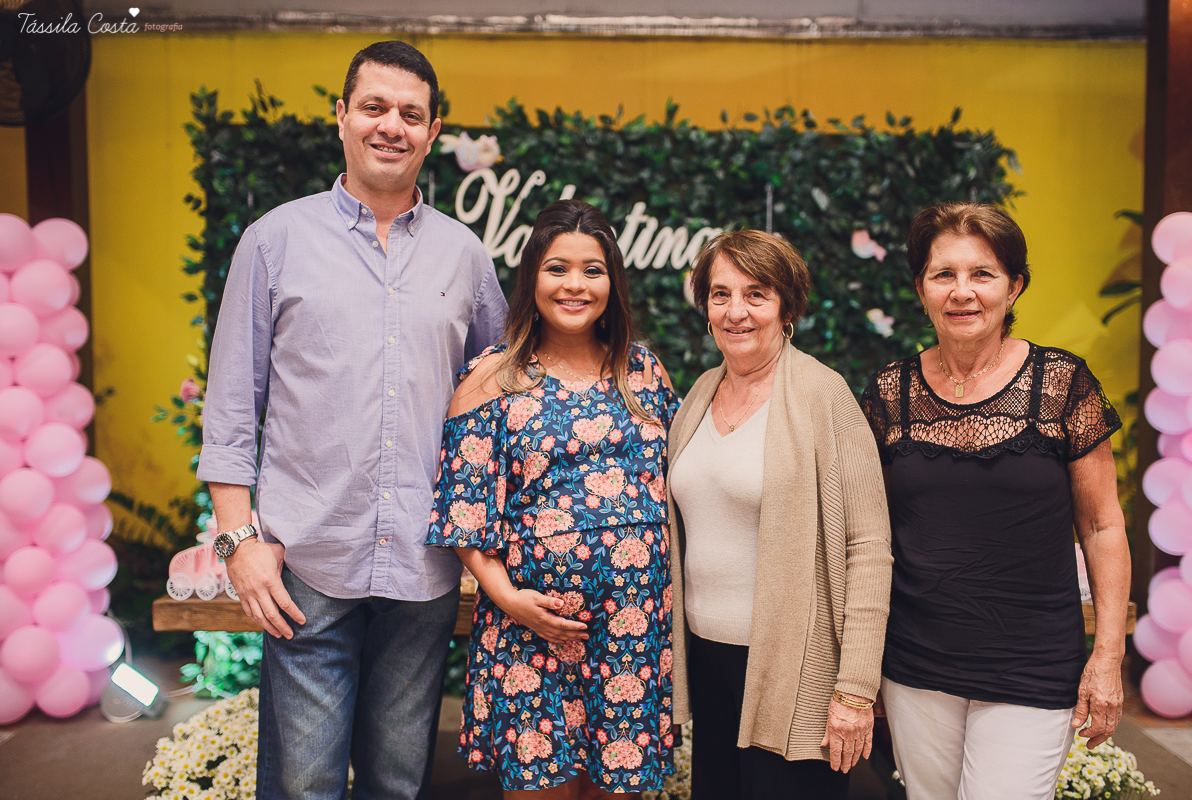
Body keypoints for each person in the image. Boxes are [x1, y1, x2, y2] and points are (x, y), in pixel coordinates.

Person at [197, 41, 507, 800]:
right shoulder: (274, 241)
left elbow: (501, 398)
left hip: (423, 565)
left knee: (397, 783)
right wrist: (239, 543)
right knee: (303, 784)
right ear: (341, 116)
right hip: (305, 562)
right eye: (374, 107)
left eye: (411, 114)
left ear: (433, 132)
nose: (391, 126)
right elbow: (232, 406)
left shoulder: (465, 256)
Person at [862, 203, 1131, 800]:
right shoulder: (889, 393)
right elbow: (870, 534)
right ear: (921, 290)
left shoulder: (1062, 383)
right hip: (916, 661)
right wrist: (861, 666)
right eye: (944, 274)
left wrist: (1107, 656)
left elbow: (1103, 525)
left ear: (1014, 287)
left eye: (982, 274)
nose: (962, 292)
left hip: (1032, 661)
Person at [426, 199, 679, 798]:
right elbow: (465, 513)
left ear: (613, 283)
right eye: (557, 268)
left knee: (616, 788)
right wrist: (510, 601)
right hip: (530, 632)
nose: (575, 285)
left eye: (593, 270)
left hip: (632, 632)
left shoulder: (644, 372)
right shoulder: (492, 377)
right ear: (531, 278)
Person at [666, 230, 892, 800]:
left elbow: (869, 548)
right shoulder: (700, 393)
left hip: (796, 670)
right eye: (720, 294)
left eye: (756, 294)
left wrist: (856, 689)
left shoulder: (824, 396)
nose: (735, 311)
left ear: (786, 308)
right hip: (708, 660)